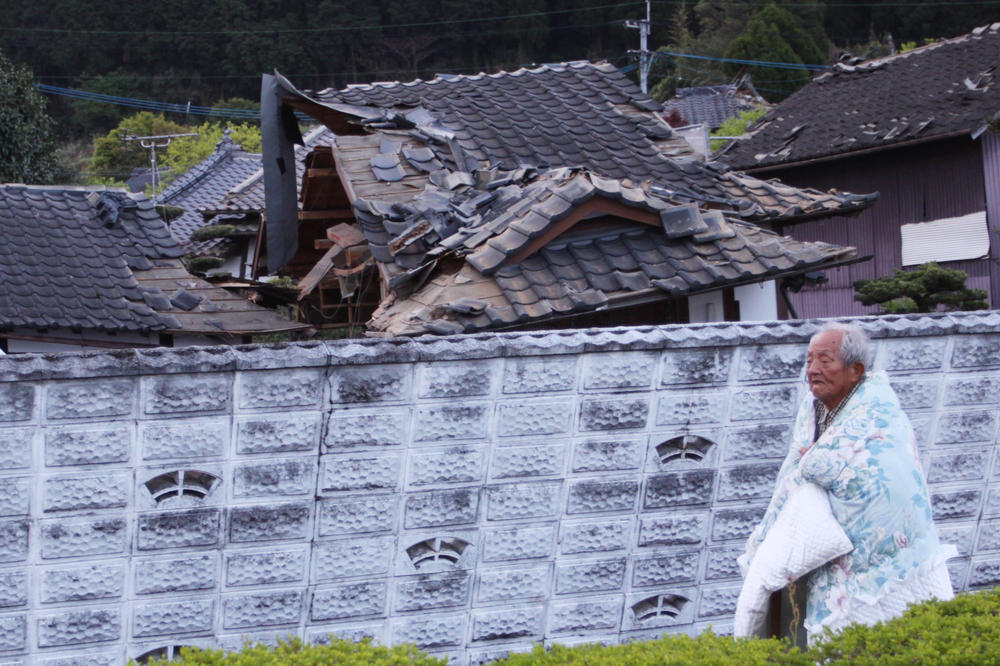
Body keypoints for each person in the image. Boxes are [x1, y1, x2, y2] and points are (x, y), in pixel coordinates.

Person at [738, 322, 956, 645]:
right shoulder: (809, 410)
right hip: (815, 548)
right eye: (809, 360)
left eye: (824, 360)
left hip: (868, 552)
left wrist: (814, 464)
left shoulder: (879, 409)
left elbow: (881, 476)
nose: (812, 370)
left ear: (855, 370)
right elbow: (794, 469)